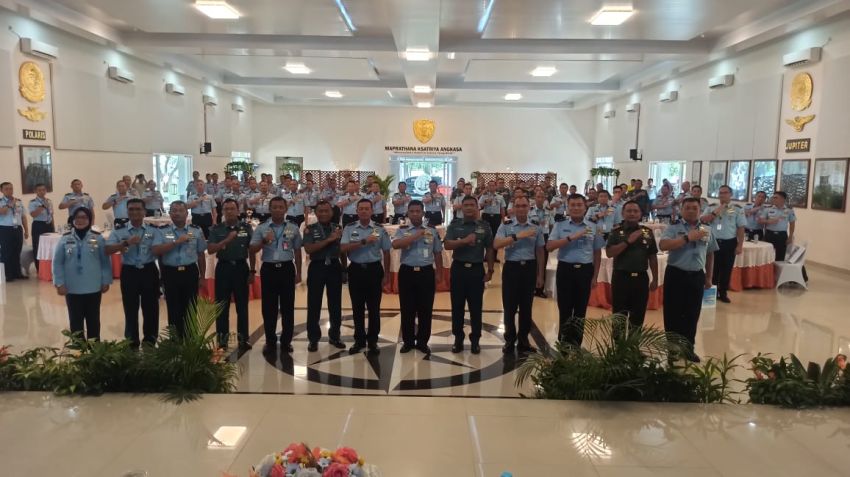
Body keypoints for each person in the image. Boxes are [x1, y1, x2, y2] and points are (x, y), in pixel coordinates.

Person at [659, 197, 718, 362]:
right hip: (676, 274)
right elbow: (663, 246)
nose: (691, 211)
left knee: (692, 314)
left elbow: (710, 253)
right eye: (687, 208)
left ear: (700, 210)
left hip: (696, 276)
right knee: (672, 314)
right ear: (681, 210)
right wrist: (687, 238)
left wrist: (709, 277)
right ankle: (672, 349)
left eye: (694, 208)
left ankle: (688, 348)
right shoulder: (673, 228)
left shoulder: (707, 229)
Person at [546, 194, 604, 346]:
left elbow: (597, 252)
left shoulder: (593, 226)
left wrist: (595, 276)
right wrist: (571, 237)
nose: (576, 208)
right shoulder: (560, 224)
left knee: (580, 311)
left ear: (585, 208)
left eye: (579, 205)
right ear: (567, 207)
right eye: (573, 205)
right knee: (564, 310)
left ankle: (576, 345)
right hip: (565, 270)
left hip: (584, 271)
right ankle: (563, 346)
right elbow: (549, 246)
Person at [105, 198, 162, 348]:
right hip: (129, 272)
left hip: (149, 270)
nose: (135, 212)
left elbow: (158, 250)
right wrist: (125, 243)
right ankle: (131, 342)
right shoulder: (120, 231)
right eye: (131, 209)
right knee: (130, 308)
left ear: (144, 212)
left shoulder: (154, 230)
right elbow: (107, 250)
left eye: (138, 209)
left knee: (151, 309)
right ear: (127, 212)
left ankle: (150, 341)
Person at [492, 196, 545, 355]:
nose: (521, 209)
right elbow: (496, 244)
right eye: (518, 206)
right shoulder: (506, 225)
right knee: (509, 307)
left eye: (524, 206)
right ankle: (509, 340)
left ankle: (523, 341)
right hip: (511, 269)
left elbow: (540, 251)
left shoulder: (536, 227)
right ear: (513, 208)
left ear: (529, 207)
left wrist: (540, 275)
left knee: (526, 307)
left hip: (529, 268)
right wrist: (517, 236)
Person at [249, 197, 302, 354]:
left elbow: (298, 251)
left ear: (285, 209)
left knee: (287, 307)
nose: (278, 210)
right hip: (269, 270)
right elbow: (252, 250)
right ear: (269, 209)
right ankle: (270, 341)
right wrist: (264, 241)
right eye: (274, 207)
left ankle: (286, 341)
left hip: (287, 269)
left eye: (281, 207)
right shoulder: (261, 228)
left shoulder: (293, 227)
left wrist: (299, 273)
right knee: (269, 307)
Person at [444, 195, 495, 354]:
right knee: (457, 306)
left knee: (476, 307)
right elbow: (447, 244)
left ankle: (475, 340)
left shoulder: (484, 226)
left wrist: (491, 270)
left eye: (472, 205)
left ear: (476, 207)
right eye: (466, 205)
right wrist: (463, 241)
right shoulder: (455, 225)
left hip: (476, 270)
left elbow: (490, 249)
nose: (469, 208)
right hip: (458, 269)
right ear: (462, 207)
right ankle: (458, 339)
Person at [340, 199, 392, 355]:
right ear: (357, 211)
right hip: (356, 270)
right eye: (361, 208)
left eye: (366, 209)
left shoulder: (379, 229)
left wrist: (387, 274)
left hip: (374, 271)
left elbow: (387, 252)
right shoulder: (349, 228)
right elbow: (343, 248)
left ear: (372, 211)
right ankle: (359, 340)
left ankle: (373, 341)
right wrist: (363, 241)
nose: (363, 211)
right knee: (357, 308)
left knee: (374, 309)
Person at [52, 207, 112, 340]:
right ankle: (79, 352)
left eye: (84, 217)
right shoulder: (65, 238)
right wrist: (59, 283)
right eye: (77, 217)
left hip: (93, 286)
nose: (80, 220)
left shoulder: (98, 238)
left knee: (93, 321)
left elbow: (105, 261)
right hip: (72, 288)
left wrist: (106, 280)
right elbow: (57, 263)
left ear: (90, 220)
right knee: (75, 322)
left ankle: (94, 351)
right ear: (72, 220)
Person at [392, 200, 444, 354]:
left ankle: (422, 341)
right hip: (407, 272)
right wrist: (416, 235)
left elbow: (437, 252)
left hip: (426, 272)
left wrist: (439, 273)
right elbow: (395, 245)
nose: (415, 214)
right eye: (412, 211)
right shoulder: (402, 229)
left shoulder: (432, 230)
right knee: (407, 308)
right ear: (407, 213)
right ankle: (408, 341)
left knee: (425, 309)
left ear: (423, 213)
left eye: (418, 211)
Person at [151, 201, 206, 339]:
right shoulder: (162, 231)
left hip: (190, 272)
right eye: (174, 210)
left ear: (187, 213)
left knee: (190, 307)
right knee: (173, 308)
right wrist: (176, 242)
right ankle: (175, 341)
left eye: (181, 210)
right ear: (169, 214)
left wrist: (203, 276)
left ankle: (190, 339)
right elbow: (156, 250)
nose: (177, 213)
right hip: (171, 273)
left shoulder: (196, 230)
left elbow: (200, 254)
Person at [207, 199, 255, 349]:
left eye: (232, 208)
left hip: (241, 268)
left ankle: (243, 340)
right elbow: (210, 250)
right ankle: (222, 342)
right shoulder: (216, 229)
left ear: (238, 210)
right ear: (222, 212)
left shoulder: (246, 228)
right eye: (226, 209)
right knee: (222, 307)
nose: (229, 211)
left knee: (242, 307)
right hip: (223, 268)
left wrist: (252, 270)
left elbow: (252, 250)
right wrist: (226, 240)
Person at [605, 201, 658, 334]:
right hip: (621, 278)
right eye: (629, 211)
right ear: (623, 213)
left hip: (641, 278)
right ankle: (618, 349)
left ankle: (633, 348)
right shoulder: (616, 232)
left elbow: (652, 256)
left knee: (638, 315)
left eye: (635, 211)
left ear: (640, 214)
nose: (632, 213)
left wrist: (655, 279)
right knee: (619, 315)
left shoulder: (647, 232)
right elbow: (609, 253)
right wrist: (628, 241)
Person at [303, 201, 346, 351]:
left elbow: (342, 250)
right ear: (316, 213)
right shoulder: (309, 229)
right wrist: (328, 240)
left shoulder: (338, 228)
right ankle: (313, 338)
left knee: (335, 304)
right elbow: (309, 249)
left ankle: (335, 335)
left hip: (334, 267)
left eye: (326, 211)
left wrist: (344, 269)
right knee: (314, 304)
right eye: (320, 211)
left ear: (332, 212)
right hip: (317, 267)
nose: (323, 213)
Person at [700, 185, 745, 303]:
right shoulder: (711, 207)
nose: (722, 195)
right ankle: (712, 292)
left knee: (726, 269)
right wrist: (718, 210)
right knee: (712, 268)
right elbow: (703, 220)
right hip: (713, 241)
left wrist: (740, 245)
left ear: (730, 194)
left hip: (729, 242)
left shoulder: (737, 209)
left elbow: (740, 227)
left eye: (725, 193)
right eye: (720, 193)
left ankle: (723, 292)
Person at [0, 182, 28, 281]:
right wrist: (9, 205)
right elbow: (2, 212)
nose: (9, 191)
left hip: (17, 229)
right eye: (6, 189)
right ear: (1, 191)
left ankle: (17, 273)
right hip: (5, 229)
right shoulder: (1, 201)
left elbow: (23, 216)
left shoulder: (18, 201)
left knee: (17, 252)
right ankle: (7, 275)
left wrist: (26, 230)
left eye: (11, 188)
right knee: (6, 253)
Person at [759, 191, 796, 262]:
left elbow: (792, 223)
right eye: (773, 197)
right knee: (766, 256)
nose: (773, 199)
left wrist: (790, 236)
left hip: (782, 236)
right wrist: (769, 221)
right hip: (769, 234)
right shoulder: (768, 209)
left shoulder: (789, 210)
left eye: (776, 198)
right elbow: (761, 220)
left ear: (783, 199)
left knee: (780, 257)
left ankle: (777, 272)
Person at [28, 183, 54, 272]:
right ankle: (39, 269)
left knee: (50, 246)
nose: (42, 192)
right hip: (38, 225)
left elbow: (51, 214)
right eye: (39, 190)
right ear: (35, 191)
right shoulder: (33, 202)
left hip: (49, 225)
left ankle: (50, 267)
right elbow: (33, 214)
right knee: (38, 246)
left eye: (43, 190)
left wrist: (53, 227)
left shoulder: (49, 201)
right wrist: (42, 207)